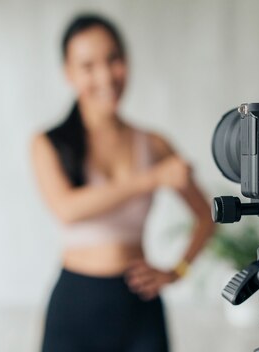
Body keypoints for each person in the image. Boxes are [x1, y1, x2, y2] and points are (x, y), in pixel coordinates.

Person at [31, 14, 215, 352]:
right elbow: (67, 209)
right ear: (69, 74)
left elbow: (207, 216)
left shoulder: (154, 144)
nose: (105, 76)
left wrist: (177, 271)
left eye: (113, 59)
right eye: (88, 66)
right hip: (74, 308)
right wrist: (152, 178)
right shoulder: (48, 144)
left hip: (139, 306)